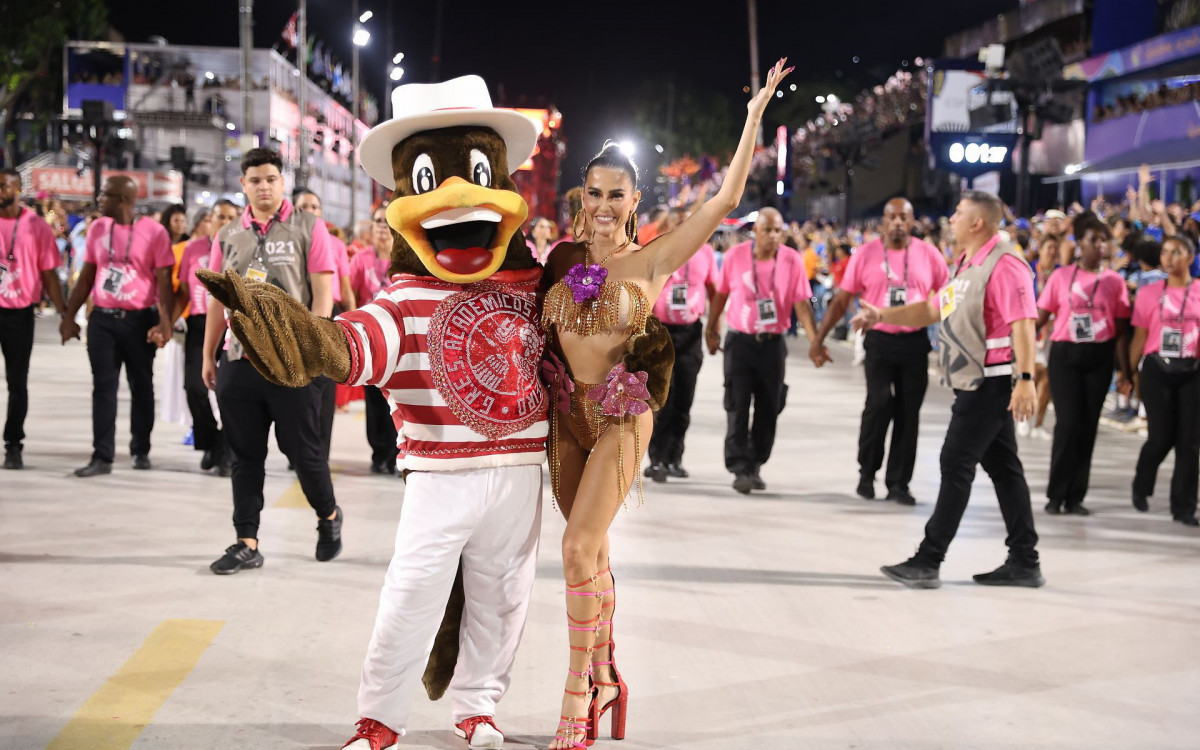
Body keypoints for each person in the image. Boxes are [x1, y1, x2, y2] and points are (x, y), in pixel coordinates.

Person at [200, 75, 550, 750]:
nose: (457, 197)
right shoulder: (403, 300)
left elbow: (582, 345)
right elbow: (350, 345)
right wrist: (291, 328)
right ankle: (380, 717)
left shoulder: (535, 288)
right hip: (439, 475)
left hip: (518, 471)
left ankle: (479, 706)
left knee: (503, 599)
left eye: (478, 174)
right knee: (411, 596)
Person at [539, 58, 792, 749]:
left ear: (635, 199)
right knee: (587, 559)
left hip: (623, 417)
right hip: (568, 420)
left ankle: (578, 692)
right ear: (580, 195)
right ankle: (611, 675)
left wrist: (751, 118)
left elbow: (725, 200)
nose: (602, 205)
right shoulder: (559, 262)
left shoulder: (651, 261)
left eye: (616, 195)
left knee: (577, 544)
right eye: (593, 192)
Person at [855, 190, 1044, 589]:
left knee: (955, 464)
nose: (950, 219)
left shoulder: (1005, 264)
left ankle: (929, 559)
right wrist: (881, 315)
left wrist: (1026, 380)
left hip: (990, 384)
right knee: (1005, 469)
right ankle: (1025, 561)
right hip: (975, 381)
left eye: (958, 214)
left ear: (978, 223)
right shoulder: (967, 263)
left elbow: (1024, 324)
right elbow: (930, 309)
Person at [200, 147, 342, 574]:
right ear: (243, 185)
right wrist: (210, 353)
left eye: (271, 179)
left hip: (293, 362)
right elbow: (214, 303)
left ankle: (329, 516)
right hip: (239, 360)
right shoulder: (227, 236)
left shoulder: (309, 227)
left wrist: (311, 350)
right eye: (255, 180)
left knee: (304, 453)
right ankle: (247, 540)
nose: (263, 186)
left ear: (282, 183)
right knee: (245, 455)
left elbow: (323, 294)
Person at [810, 198, 948, 505]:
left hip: (914, 343)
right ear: (883, 223)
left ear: (913, 222)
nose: (898, 222)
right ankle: (867, 473)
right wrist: (818, 339)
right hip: (879, 343)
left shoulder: (929, 254)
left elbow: (946, 298)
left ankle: (899, 483)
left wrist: (951, 335)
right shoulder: (866, 254)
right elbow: (842, 300)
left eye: (904, 217)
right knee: (879, 404)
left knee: (908, 413)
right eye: (892, 217)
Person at [59, 176, 175, 476]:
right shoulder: (98, 228)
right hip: (103, 319)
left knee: (142, 386)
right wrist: (69, 317)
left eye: (106, 195)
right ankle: (102, 456)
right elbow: (87, 275)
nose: (100, 199)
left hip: (139, 321)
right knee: (104, 388)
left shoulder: (155, 232)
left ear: (124, 199)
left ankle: (140, 448)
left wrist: (165, 323)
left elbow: (164, 283)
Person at [706, 205, 826, 494]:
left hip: (772, 345)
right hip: (740, 342)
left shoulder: (792, 260)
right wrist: (711, 329)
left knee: (769, 406)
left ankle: (755, 462)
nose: (774, 236)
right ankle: (739, 467)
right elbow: (721, 295)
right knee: (736, 404)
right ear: (756, 232)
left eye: (778, 231)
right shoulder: (735, 257)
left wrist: (815, 342)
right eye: (768, 230)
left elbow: (801, 304)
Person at [1035, 214, 1131, 516]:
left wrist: (1126, 371)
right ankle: (1055, 494)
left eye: (1104, 240)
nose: (1100, 245)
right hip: (1065, 355)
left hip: (1099, 356)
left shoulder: (1115, 282)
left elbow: (1121, 330)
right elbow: (1040, 317)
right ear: (1079, 243)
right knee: (1068, 423)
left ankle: (1076, 496)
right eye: (1093, 240)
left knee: (1088, 426)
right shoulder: (1062, 277)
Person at [1, 169, 70, 469]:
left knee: (17, 382)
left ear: (18, 189)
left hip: (18, 313)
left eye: (5, 186)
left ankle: (13, 444)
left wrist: (65, 314)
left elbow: (50, 275)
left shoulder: (36, 227)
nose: (0, 191)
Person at [1129, 235, 1200, 526]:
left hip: (1193, 370)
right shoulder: (1148, 293)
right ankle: (1141, 485)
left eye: (1177, 252)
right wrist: (1129, 373)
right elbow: (1140, 337)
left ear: (1191, 257)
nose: (1169, 258)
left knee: (1190, 443)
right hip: (1157, 369)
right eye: (1166, 252)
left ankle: (1184, 508)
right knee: (1160, 438)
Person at [643, 232, 718, 481]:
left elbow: (714, 289)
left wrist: (712, 329)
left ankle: (675, 458)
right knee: (661, 397)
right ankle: (656, 459)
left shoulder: (705, 253)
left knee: (684, 398)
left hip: (690, 333)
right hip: (660, 332)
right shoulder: (660, 250)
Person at [177, 199, 239, 474]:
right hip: (199, 324)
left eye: (230, 217)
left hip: (235, 326)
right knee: (194, 386)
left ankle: (225, 448)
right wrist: (166, 323)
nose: (224, 222)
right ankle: (210, 440)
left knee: (229, 392)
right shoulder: (193, 249)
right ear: (209, 220)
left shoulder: (244, 246)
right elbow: (182, 290)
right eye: (219, 217)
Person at [293, 188, 354, 460]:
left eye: (314, 206)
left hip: (330, 316)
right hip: (297, 312)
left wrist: (353, 321)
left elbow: (344, 285)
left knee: (325, 388)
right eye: (304, 206)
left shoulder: (336, 245)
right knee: (298, 387)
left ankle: (320, 454)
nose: (310, 210)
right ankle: (300, 453)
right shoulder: (289, 242)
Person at [347, 205, 398, 475]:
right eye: (378, 221)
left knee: (398, 398)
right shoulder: (361, 259)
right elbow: (351, 295)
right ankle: (379, 452)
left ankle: (396, 453)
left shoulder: (405, 256)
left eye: (387, 221)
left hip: (400, 339)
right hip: (369, 339)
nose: (382, 226)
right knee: (374, 400)